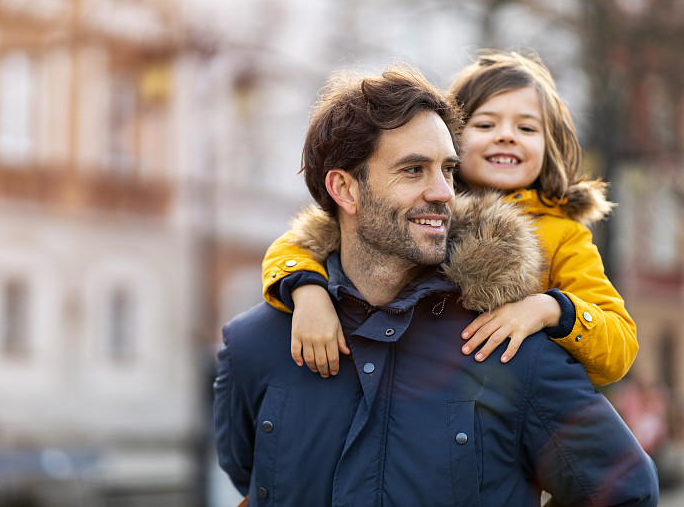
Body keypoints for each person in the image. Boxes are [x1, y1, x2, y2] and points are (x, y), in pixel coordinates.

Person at [213, 64, 658, 506]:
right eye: (413, 169)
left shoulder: (513, 344)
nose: (443, 191)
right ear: (343, 190)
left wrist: (552, 309)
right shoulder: (255, 344)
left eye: (447, 170)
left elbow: (625, 489)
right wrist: (305, 290)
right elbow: (255, 478)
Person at [262, 51, 637, 385]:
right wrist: (308, 292)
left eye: (526, 128)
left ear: (549, 144)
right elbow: (299, 243)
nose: (506, 137)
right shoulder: (418, 210)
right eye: (486, 125)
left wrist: (551, 308)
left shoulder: (563, 234)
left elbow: (619, 346)